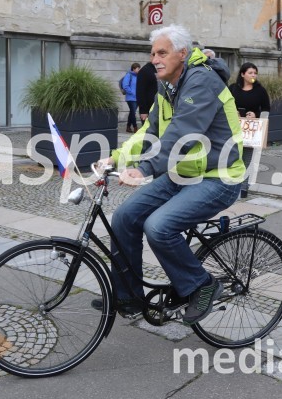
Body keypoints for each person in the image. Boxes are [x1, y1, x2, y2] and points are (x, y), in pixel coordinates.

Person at [97, 24, 245, 325]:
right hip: (182, 174)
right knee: (124, 217)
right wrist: (115, 158)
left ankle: (202, 285)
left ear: (182, 53)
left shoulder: (202, 82)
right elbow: (149, 132)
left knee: (159, 226)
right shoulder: (167, 87)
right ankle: (128, 297)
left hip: (218, 177)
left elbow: (182, 134)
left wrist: (144, 168)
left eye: (162, 53)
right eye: (153, 54)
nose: (155, 59)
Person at [228, 62, 270, 198]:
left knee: (246, 159)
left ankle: (243, 188)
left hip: (250, 130)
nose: (253, 75)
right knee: (232, 158)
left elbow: (266, 109)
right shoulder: (233, 88)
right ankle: (231, 186)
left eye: (255, 73)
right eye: (250, 73)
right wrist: (233, 111)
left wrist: (255, 114)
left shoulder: (260, 91)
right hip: (233, 128)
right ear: (242, 74)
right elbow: (224, 105)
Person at [120, 63, 140, 133]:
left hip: (137, 98)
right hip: (130, 98)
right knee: (133, 113)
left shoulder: (138, 76)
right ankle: (135, 127)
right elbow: (125, 86)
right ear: (133, 69)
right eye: (138, 68)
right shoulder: (129, 75)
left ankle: (128, 127)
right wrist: (132, 93)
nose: (139, 70)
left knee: (132, 112)